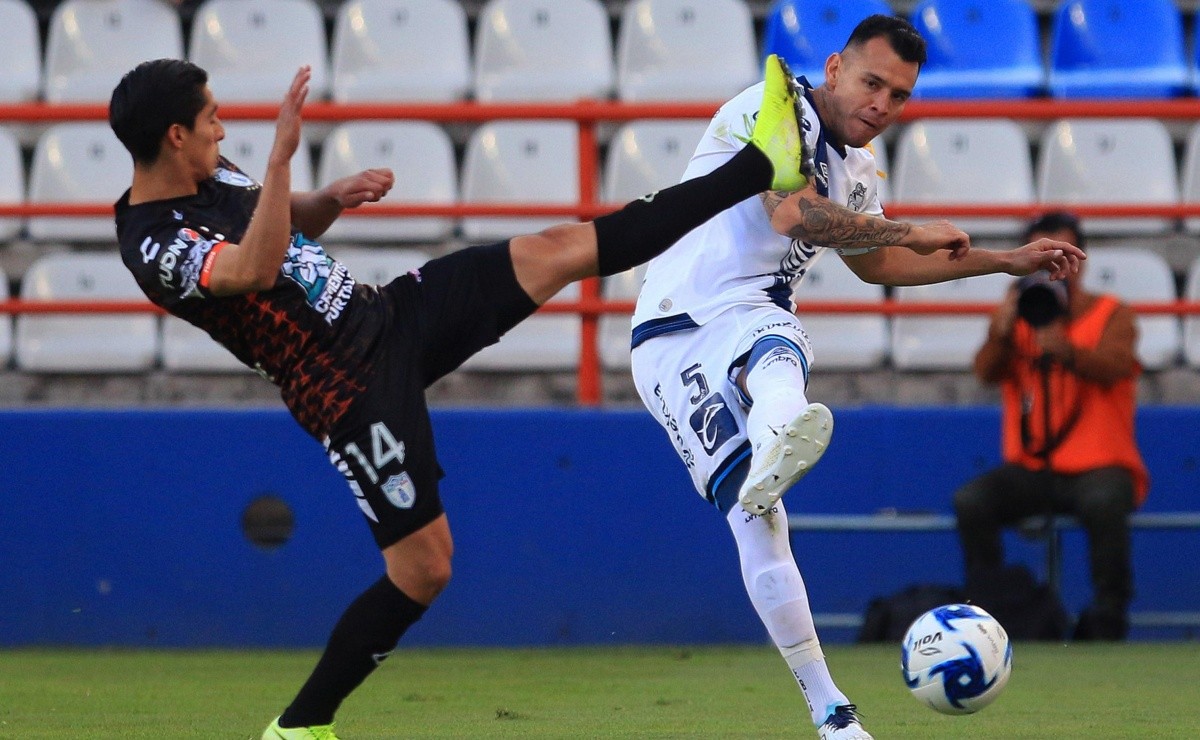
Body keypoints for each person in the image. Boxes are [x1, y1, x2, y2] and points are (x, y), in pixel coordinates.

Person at [109, 53, 813, 739]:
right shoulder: (154, 243)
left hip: (384, 316)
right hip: (344, 387)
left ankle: (758, 164)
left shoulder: (208, 174)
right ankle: (299, 726)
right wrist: (282, 156)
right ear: (176, 136)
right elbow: (254, 268)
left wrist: (326, 199)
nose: (221, 131)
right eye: (211, 120)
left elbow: (282, 226)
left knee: (562, 248)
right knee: (425, 569)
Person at [628, 15, 1085, 740]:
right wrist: (910, 229)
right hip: (674, 328)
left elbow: (880, 264)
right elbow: (793, 214)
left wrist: (1003, 259)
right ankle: (779, 423)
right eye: (873, 83)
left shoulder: (862, 170)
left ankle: (830, 713)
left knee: (759, 515)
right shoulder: (768, 106)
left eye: (900, 96)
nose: (883, 105)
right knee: (776, 336)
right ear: (836, 67)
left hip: (747, 322)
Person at [954, 212, 1149, 642]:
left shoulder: (1111, 313)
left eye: (1064, 256)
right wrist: (1001, 331)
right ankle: (993, 613)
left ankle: (1108, 618)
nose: (1055, 267)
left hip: (1099, 462)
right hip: (1033, 465)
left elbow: (1118, 366)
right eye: (1045, 256)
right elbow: (985, 373)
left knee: (1105, 502)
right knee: (972, 501)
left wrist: (1067, 350)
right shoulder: (1020, 313)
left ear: (1082, 260)